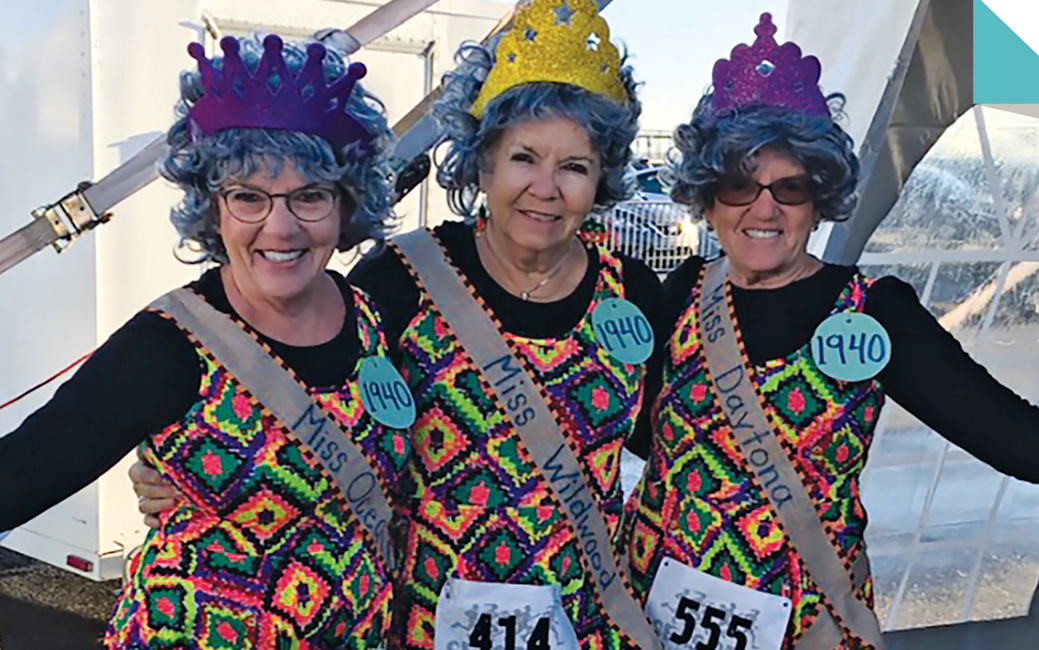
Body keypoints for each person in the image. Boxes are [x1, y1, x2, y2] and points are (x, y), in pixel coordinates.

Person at [136, 0, 663, 647]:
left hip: (577, 624)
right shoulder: (401, 279)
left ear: (600, 176)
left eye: (574, 166)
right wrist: (186, 463)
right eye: (524, 157)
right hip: (416, 621)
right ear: (483, 160)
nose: (546, 187)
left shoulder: (633, 290)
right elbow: (295, 400)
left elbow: (677, 443)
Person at [622, 13, 1039, 650]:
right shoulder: (681, 293)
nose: (764, 208)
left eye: (790, 186)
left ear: (820, 194)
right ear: (708, 196)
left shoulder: (874, 312)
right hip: (652, 618)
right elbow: (643, 438)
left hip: (806, 628)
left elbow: (1018, 442)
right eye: (739, 184)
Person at [0, 33, 410, 649]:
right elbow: (21, 474)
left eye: (310, 196)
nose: (280, 225)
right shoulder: (168, 346)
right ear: (212, 207)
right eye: (248, 197)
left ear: (346, 203)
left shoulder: (372, 313)